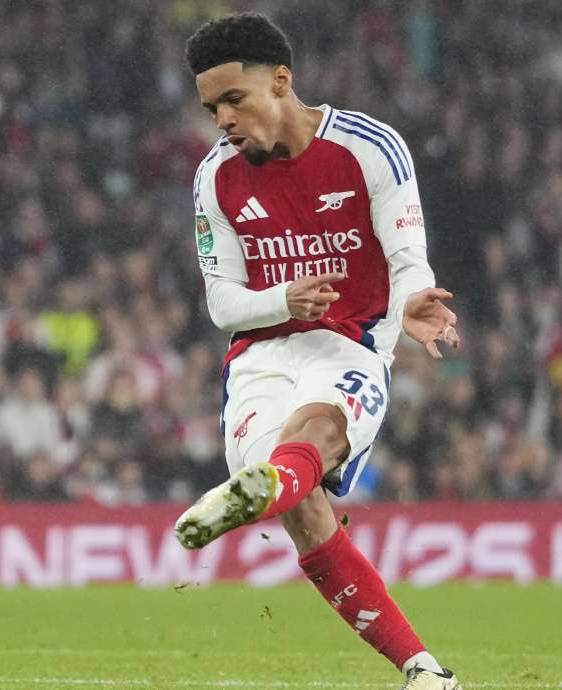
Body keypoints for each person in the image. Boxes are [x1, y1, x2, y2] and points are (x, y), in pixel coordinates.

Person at [175, 14, 462, 690]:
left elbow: (406, 255)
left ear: (280, 82)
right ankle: (420, 667)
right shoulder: (214, 179)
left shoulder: (368, 147)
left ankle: (425, 673)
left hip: (352, 344)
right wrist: (282, 300)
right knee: (301, 510)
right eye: (210, 107)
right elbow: (222, 303)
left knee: (318, 432)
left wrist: (416, 298)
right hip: (260, 358)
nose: (221, 119)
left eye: (233, 100)